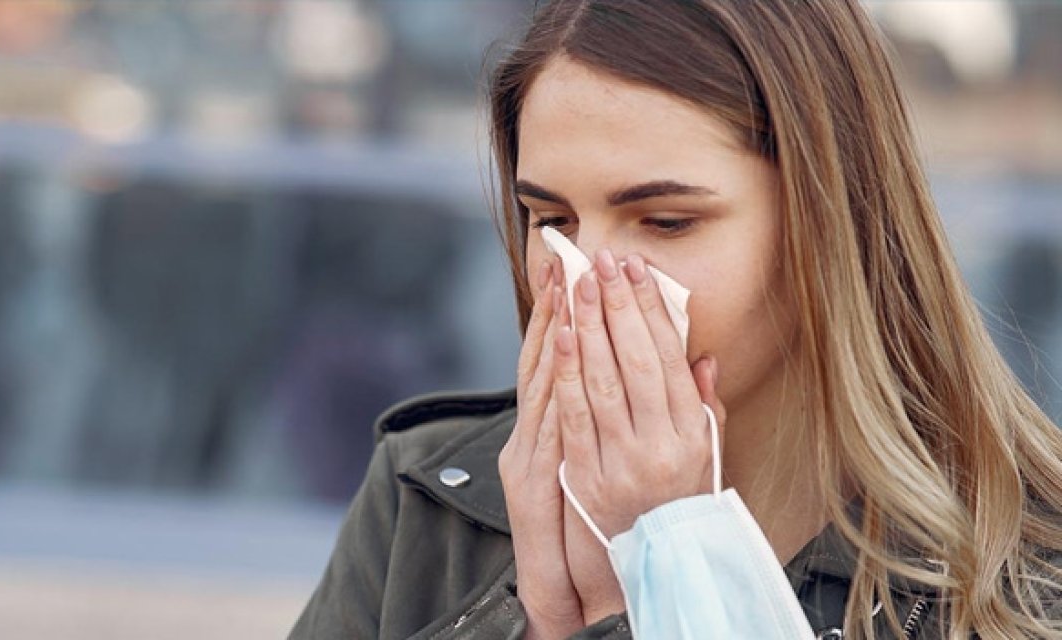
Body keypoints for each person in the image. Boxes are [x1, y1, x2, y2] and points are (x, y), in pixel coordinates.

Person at [290, 1, 1062, 638]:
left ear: (833, 226)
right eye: (550, 220)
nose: (587, 280)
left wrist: (642, 594)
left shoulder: (1021, 573)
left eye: (664, 222)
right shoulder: (422, 498)